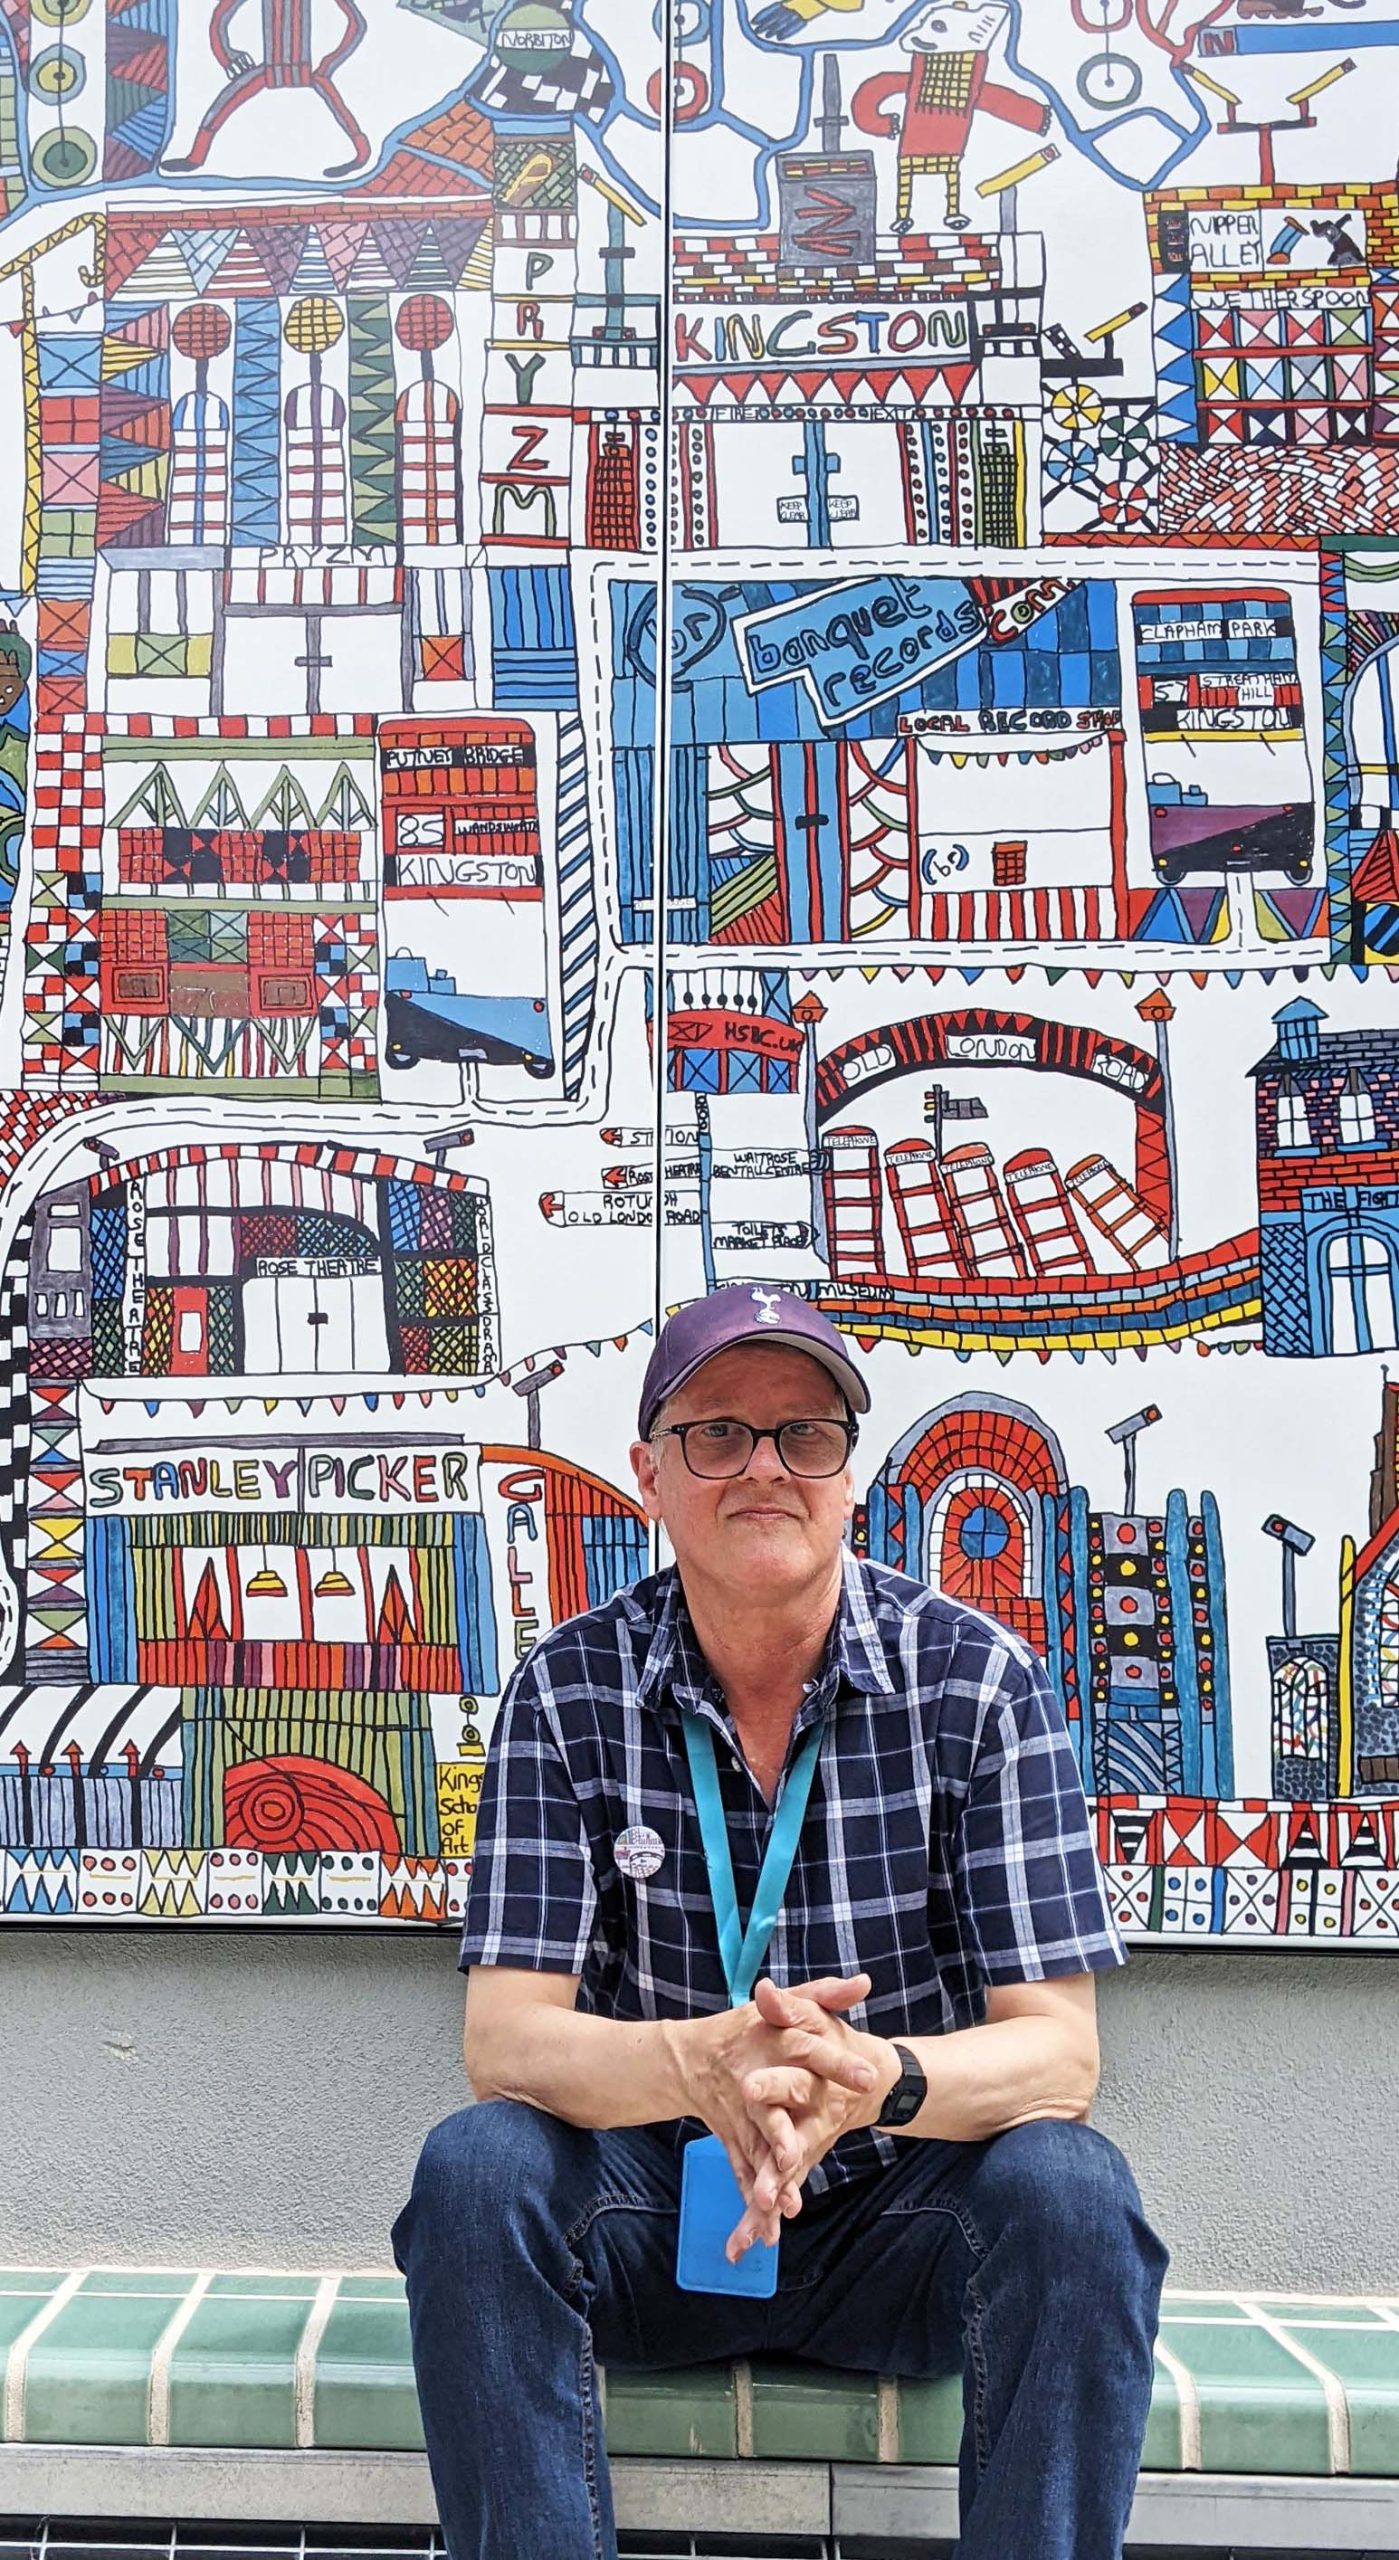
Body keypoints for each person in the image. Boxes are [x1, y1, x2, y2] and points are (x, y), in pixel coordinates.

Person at [394, 1284, 1168, 2560]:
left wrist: (879, 2079)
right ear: (650, 1471)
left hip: (898, 2222)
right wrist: (697, 2063)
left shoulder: (979, 1680)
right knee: (477, 2173)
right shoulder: (566, 1685)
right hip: (654, 2218)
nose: (765, 1466)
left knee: (1074, 2193)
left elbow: (1060, 2056)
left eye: (803, 1434)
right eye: (719, 1433)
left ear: (848, 1475)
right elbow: (506, 2039)